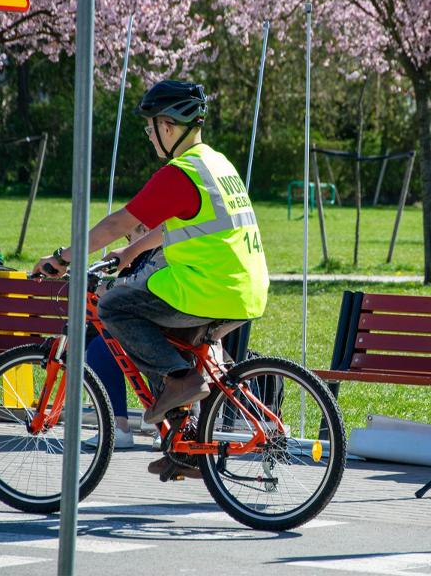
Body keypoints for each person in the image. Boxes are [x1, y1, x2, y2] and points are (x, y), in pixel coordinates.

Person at [32, 80, 270, 477]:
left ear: (168, 126)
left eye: (151, 126)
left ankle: (179, 383)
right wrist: (131, 251)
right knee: (166, 347)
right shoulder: (216, 164)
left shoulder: (179, 174)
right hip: (244, 289)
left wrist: (62, 257)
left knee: (114, 306)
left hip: (206, 288)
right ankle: (187, 447)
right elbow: (182, 225)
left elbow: (118, 222)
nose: (150, 135)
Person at [84, 222, 157, 450]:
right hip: (135, 328)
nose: (128, 244)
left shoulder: (163, 252)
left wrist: (112, 287)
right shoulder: (135, 259)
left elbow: (143, 284)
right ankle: (118, 426)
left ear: (145, 230)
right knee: (100, 348)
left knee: (159, 351)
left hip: (162, 327)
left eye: (130, 236)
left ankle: (166, 424)